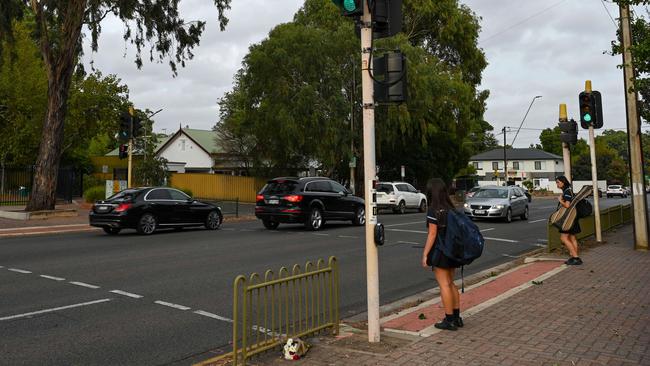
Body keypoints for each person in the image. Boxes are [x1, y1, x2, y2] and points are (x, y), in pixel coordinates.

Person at [421, 178, 463, 331]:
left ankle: (449, 319)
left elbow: (432, 234)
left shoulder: (434, 210)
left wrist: (425, 254)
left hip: (441, 252)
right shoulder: (451, 208)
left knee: (443, 284)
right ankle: (457, 317)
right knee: (451, 283)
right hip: (453, 251)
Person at [555, 176, 583, 265]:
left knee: (563, 238)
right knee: (572, 237)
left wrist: (560, 200)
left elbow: (567, 205)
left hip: (568, 219)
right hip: (573, 217)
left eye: (558, 182)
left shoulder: (567, 192)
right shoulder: (569, 190)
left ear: (563, 182)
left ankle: (575, 257)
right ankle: (574, 257)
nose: (557, 184)